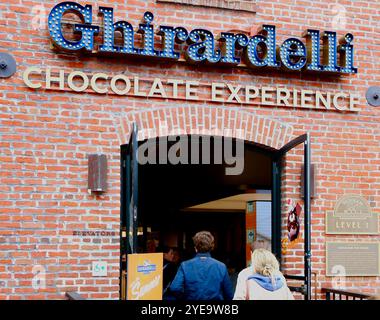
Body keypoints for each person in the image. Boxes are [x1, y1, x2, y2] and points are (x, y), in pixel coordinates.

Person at [169, 231, 233, 300]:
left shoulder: (185, 265)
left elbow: (175, 288)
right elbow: (229, 294)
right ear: (212, 247)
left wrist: (184, 297)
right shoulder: (221, 266)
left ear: (195, 248)